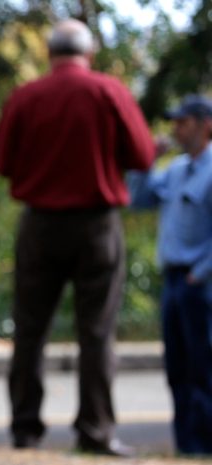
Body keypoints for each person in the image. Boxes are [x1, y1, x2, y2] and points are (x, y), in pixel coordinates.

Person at [0, 19, 155, 456]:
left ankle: (25, 430)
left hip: (40, 224)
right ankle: (95, 431)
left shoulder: (26, 97)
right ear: (89, 53)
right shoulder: (109, 91)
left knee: (29, 332)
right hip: (96, 225)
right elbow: (141, 156)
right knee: (97, 333)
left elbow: (3, 162)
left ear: (49, 54)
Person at [128, 94, 212, 455]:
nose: (177, 129)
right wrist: (146, 162)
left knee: (203, 366)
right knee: (178, 367)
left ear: (206, 124)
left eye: (184, 122)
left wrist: (201, 272)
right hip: (174, 281)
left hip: (202, 282)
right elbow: (139, 199)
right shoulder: (176, 169)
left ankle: (206, 444)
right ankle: (187, 446)